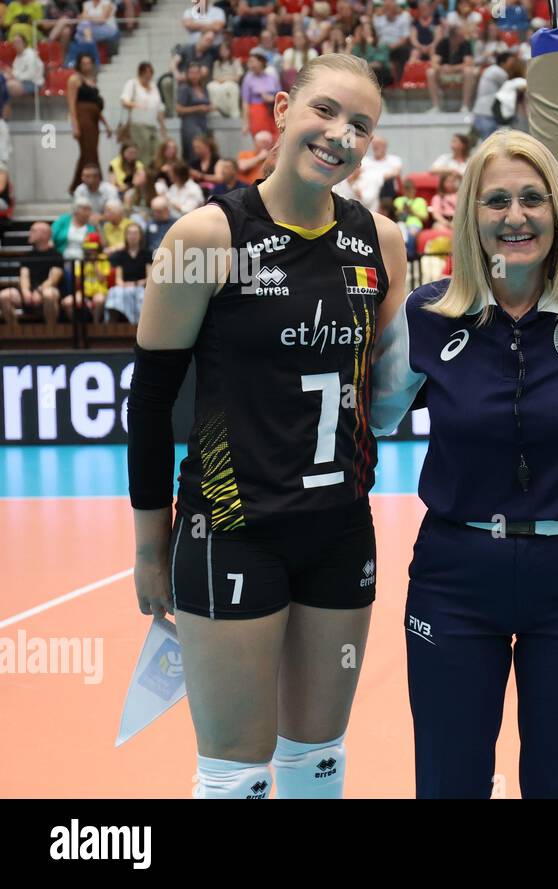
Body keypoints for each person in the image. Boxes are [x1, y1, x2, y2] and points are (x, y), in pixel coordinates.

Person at [128, 53, 406, 801]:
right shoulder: (205, 237)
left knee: (317, 762)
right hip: (232, 528)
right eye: (324, 111)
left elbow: (382, 393)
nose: (339, 134)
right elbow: (151, 401)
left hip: (342, 530)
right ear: (281, 110)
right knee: (236, 775)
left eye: (360, 125)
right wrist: (150, 546)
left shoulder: (381, 243)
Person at [368, 128, 558, 798]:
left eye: (532, 198)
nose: (516, 216)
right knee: (450, 777)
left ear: (556, 211)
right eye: (496, 201)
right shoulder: (429, 315)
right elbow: (374, 415)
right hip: (456, 574)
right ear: (471, 216)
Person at [0, 222, 64, 326]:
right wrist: (26, 292)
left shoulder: (56, 255)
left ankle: (51, 330)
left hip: (46, 291)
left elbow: (53, 279)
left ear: (44, 234)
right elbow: (24, 276)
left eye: (33, 231)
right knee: (4, 295)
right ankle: (15, 331)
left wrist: (39, 292)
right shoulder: (27, 256)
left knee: (49, 294)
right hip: (29, 293)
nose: (30, 233)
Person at [66, 52, 109, 195]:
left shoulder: (92, 79)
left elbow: (96, 106)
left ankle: (78, 185)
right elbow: (71, 105)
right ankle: (92, 183)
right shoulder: (74, 79)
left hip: (94, 119)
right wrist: (75, 126)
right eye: (84, 63)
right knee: (89, 152)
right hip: (83, 118)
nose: (87, 66)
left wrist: (106, 125)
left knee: (89, 153)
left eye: (89, 63)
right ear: (79, 64)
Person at [105, 221, 149, 323]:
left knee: (141, 296)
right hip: (124, 286)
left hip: (141, 287)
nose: (132, 236)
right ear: (125, 236)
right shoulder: (120, 255)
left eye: (135, 233)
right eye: (129, 233)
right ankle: (112, 327)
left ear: (140, 236)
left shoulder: (147, 254)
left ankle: (139, 327)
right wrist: (124, 285)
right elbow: (118, 279)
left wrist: (135, 284)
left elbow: (149, 278)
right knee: (114, 292)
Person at [432, 22, 476, 113]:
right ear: (454, 37)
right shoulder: (443, 43)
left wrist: (452, 68)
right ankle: (436, 107)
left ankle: (465, 106)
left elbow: (468, 63)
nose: (463, 37)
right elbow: (434, 62)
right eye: (461, 35)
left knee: (469, 71)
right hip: (444, 73)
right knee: (430, 72)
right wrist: (441, 68)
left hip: (459, 73)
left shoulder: (465, 43)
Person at [176, 63, 214, 162]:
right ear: (187, 74)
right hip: (190, 123)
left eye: (196, 73)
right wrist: (197, 108)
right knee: (195, 150)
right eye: (191, 73)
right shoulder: (184, 88)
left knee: (206, 151)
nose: (194, 75)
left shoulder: (204, 88)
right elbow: (179, 109)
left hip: (203, 122)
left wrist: (209, 108)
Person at [242, 51, 280, 138]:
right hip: (257, 112)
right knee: (261, 139)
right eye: (249, 62)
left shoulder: (272, 77)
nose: (250, 64)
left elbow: (279, 95)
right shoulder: (248, 79)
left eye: (253, 61)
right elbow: (245, 102)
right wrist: (246, 123)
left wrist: (272, 99)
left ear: (261, 62)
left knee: (275, 140)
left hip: (272, 112)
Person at [209, 41, 245, 118]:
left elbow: (238, 77)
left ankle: (234, 112)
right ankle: (218, 110)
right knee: (211, 86)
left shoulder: (236, 61)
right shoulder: (217, 63)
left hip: (231, 83)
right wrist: (222, 81)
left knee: (229, 86)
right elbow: (215, 77)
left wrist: (225, 79)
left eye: (225, 50)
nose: (223, 52)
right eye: (221, 50)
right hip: (219, 84)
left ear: (230, 51)